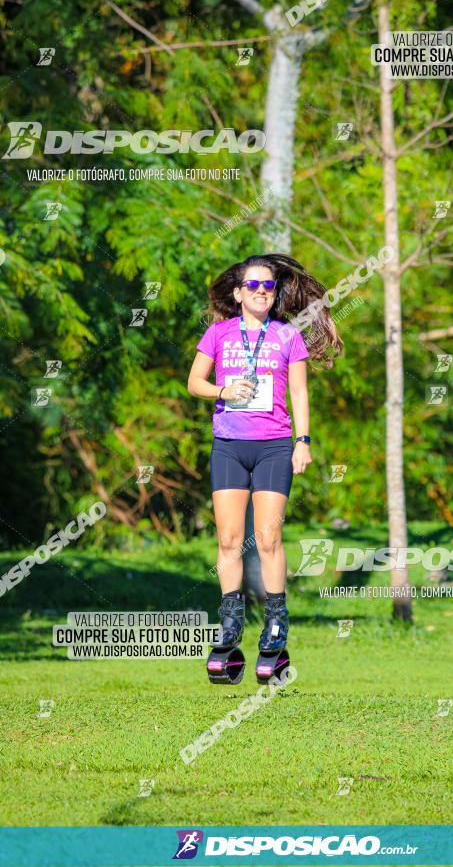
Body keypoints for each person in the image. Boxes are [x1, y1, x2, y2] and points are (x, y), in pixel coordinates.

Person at [188, 253, 343, 681]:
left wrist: (303, 441)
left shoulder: (286, 336)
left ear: (275, 295)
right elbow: (194, 382)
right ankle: (231, 620)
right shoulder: (218, 334)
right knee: (228, 538)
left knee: (269, 536)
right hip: (229, 446)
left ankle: (276, 623)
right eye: (253, 285)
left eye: (269, 286)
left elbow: (300, 393)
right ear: (237, 293)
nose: (261, 291)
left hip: (275, 446)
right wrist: (223, 388)